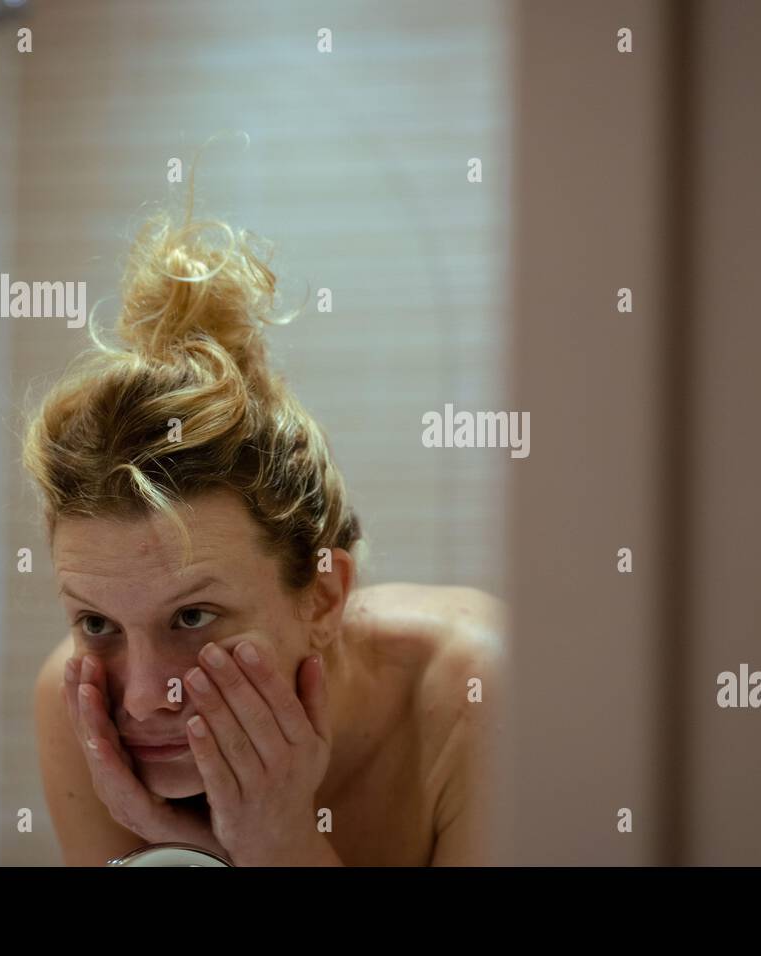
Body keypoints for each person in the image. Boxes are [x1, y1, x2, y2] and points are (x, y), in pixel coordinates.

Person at [25, 189, 505, 865]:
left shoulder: (475, 695)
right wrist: (194, 848)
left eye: (192, 616)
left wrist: (280, 844)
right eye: (96, 623)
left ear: (324, 598)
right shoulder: (78, 704)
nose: (139, 700)